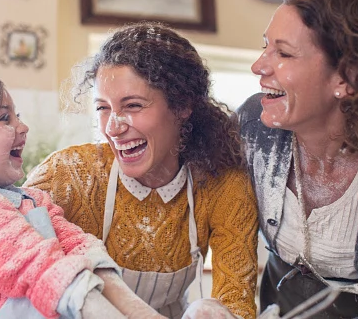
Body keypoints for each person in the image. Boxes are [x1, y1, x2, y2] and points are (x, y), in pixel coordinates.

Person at [24, 22, 259, 319]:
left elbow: (235, 302)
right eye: (102, 108)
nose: (113, 127)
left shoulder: (223, 186)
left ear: (182, 105)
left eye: (133, 105)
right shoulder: (68, 175)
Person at [0, 73, 164, 319]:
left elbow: (80, 246)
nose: (23, 127)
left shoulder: (33, 199)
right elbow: (41, 270)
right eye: (4, 118)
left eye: (18, 116)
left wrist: (140, 311)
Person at [236, 0, 358, 317]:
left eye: (284, 53)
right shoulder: (251, 124)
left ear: (346, 78)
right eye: (265, 47)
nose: (259, 66)